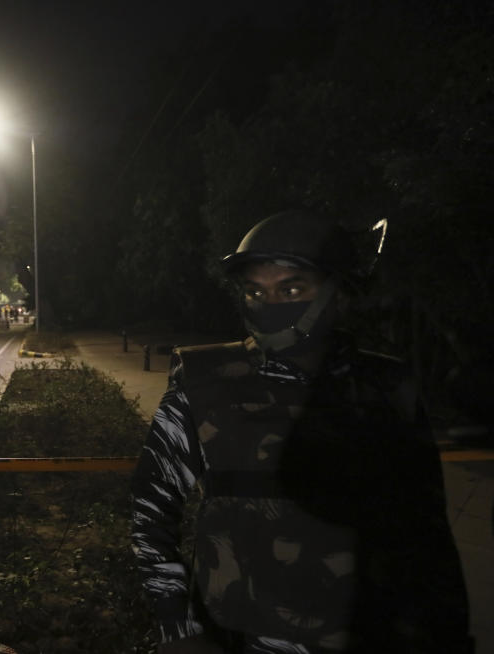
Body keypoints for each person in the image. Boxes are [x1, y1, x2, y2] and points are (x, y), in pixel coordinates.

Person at [131, 210, 473, 653]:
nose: (269, 303)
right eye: (256, 290)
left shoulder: (388, 387)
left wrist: (448, 635)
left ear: (340, 294)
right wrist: (178, 628)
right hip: (235, 635)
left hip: (371, 633)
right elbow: (150, 507)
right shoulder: (203, 379)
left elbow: (427, 532)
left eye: (291, 288)